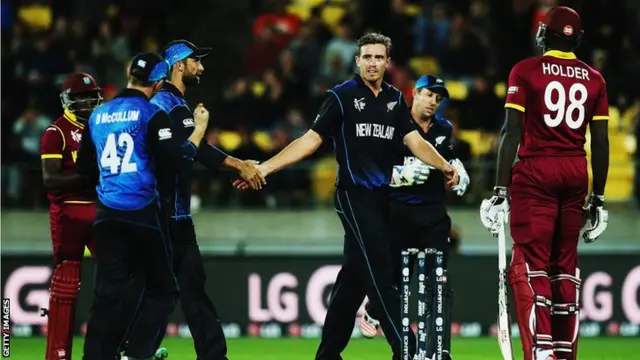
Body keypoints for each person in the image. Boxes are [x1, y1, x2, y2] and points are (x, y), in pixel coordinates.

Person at [235, 32, 458, 360]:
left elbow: (414, 141)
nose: (372, 63)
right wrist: (266, 168)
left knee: (353, 279)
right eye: (366, 57)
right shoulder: (341, 96)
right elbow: (310, 140)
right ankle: (407, 350)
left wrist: (443, 165)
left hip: (382, 199)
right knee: (380, 271)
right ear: (357, 61)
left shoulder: (395, 100)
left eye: (378, 57)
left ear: (387, 63)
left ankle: (327, 355)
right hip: (353, 195)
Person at [480, 7, 609, 360]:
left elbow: (512, 132)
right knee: (565, 265)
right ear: (577, 39)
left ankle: (541, 351)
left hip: (536, 171)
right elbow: (600, 141)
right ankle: (565, 352)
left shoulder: (525, 71)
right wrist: (598, 198)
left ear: (542, 34)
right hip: (575, 172)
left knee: (530, 262)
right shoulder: (595, 79)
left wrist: (499, 190)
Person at [78, 52, 209, 360]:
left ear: (129, 73)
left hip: (106, 216)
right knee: (163, 287)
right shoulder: (152, 114)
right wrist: (199, 130)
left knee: (107, 294)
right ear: (159, 82)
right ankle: (138, 353)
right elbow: (174, 161)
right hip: (141, 214)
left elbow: (85, 167)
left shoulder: (98, 115)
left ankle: (97, 356)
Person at [141, 39, 263, 360]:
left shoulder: (159, 104)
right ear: (179, 65)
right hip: (170, 219)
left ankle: (142, 350)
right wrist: (241, 165)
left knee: (178, 290)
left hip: (160, 216)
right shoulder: (171, 106)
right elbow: (197, 153)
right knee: (183, 292)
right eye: (196, 61)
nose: (202, 67)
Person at [359, 75, 470, 360]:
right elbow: (372, 167)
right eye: (429, 95)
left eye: (438, 98)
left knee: (436, 282)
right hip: (396, 213)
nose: (434, 101)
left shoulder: (444, 128)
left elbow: (448, 157)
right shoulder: (392, 123)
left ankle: (437, 351)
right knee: (392, 281)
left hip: (432, 214)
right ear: (415, 94)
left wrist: (457, 172)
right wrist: (397, 177)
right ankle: (377, 312)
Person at [40, 72, 102, 360]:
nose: (88, 101)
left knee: (118, 278)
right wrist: (89, 177)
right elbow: (51, 181)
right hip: (70, 214)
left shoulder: (103, 128)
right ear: (69, 100)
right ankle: (58, 354)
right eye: (81, 97)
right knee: (66, 287)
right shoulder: (57, 132)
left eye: (92, 96)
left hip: (103, 211)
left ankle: (111, 349)